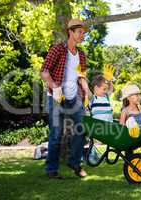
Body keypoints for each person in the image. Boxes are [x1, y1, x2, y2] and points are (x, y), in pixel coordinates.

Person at [41, 18, 90, 179]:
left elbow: (81, 75)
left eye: (83, 33)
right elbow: (44, 72)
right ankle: (51, 169)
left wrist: (86, 89)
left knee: (82, 128)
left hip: (74, 97)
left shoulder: (81, 54)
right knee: (56, 134)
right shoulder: (58, 50)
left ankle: (75, 162)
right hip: (56, 97)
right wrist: (55, 87)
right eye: (80, 32)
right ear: (71, 32)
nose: (83, 35)